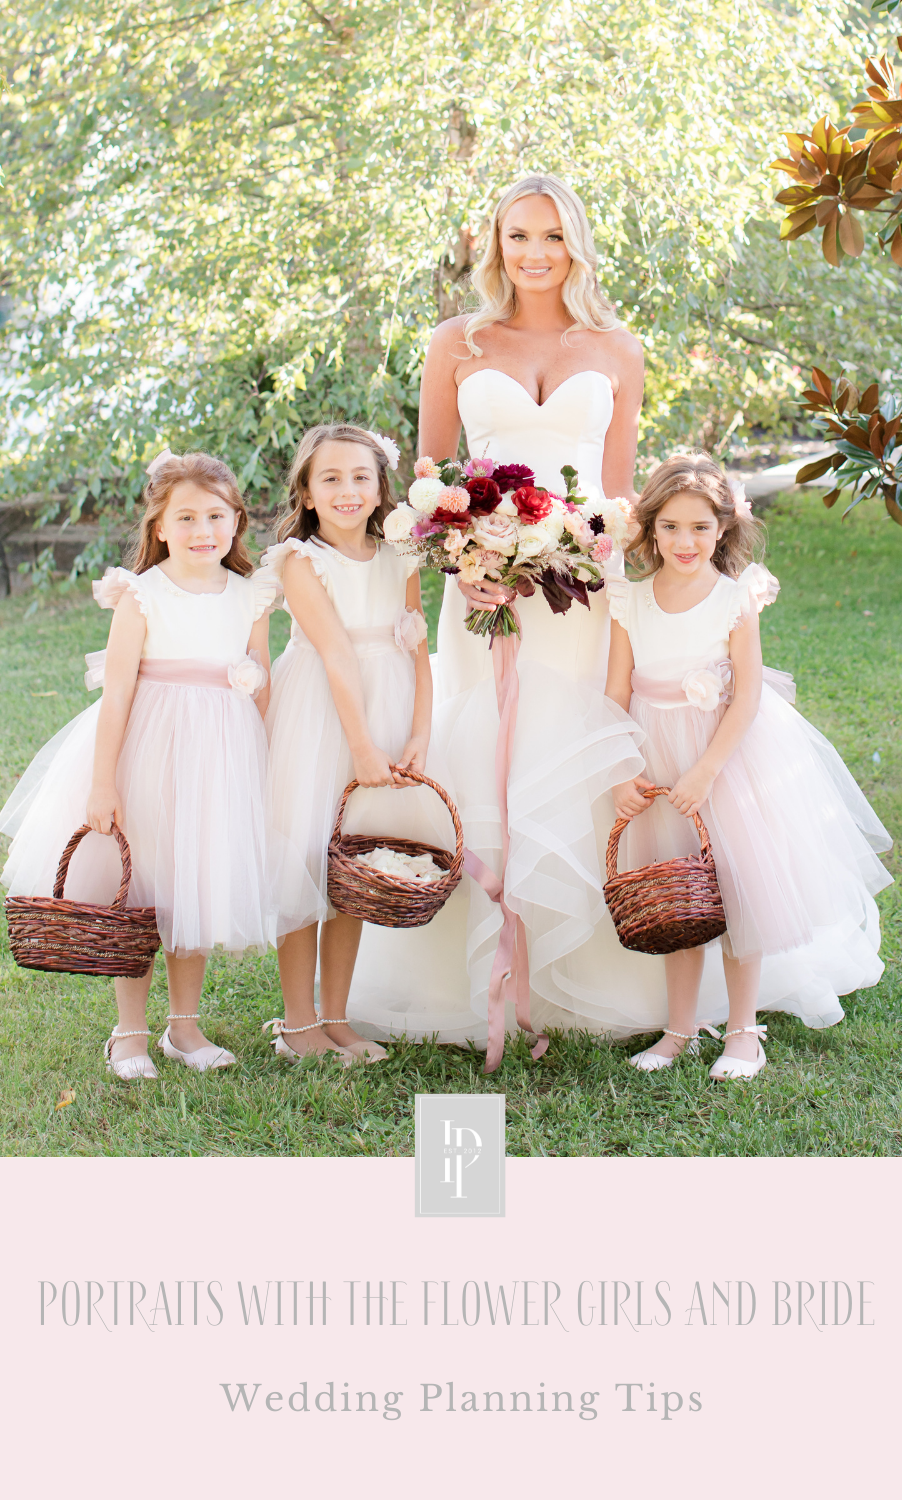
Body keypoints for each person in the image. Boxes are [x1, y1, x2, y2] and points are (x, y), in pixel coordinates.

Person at [347, 173, 668, 1047]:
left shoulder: (617, 349)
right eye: (518, 235)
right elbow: (427, 480)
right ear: (495, 244)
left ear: (577, 247)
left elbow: (619, 490)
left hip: (578, 591)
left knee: (571, 749)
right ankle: (482, 975)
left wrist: (582, 545)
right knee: (486, 745)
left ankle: (581, 975)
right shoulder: (456, 342)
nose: (534, 253)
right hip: (481, 590)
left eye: (553, 237)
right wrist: (466, 562)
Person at [604, 453, 893, 1079]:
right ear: (651, 529)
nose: (686, 541)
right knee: (677, 894)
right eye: (672, 527)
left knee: (738, 890)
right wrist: (623, 770)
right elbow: (616, 691)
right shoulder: (630, 600)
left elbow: (750, 694)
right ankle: (679, 1029)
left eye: (701, 528)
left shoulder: (736, 598)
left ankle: (742, 1031)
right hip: (654, 755)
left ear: (725, 529)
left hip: (725, 756)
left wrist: (707, 770)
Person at [0, 450, 277, 1080]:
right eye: (186, 517)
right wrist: (103, 782)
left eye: (215, 516)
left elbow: (260, 681)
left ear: (236, 522)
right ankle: (129, 1032)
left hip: (221, 754)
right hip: (150, 751)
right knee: (142, 890)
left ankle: (185, 1027)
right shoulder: (141, 594)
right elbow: (117, 695)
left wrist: (263, 756)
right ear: (160, 527)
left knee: (196, 881)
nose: (202, 531)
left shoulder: (251, 594)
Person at [257, 424, 446, 1064]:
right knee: (305, 855)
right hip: (322, 713)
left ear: (380, 487)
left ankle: (336, 1015)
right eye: (330, 478)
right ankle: (297, 1020)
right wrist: (361, 747)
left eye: (361, 477)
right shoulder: (299, 561)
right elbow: (336, 654)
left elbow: (417, 645)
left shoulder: (403, 554)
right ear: (306, 493)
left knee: (355, 861)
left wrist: (419, 731)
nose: (348, 490)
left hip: (389, 703)